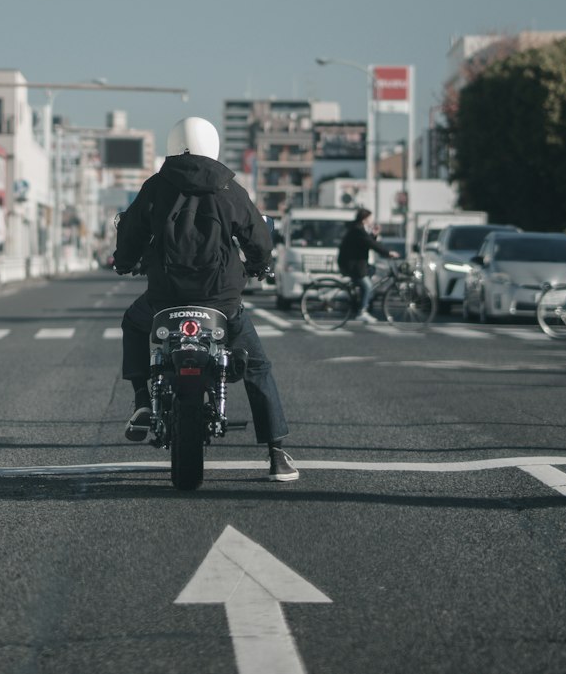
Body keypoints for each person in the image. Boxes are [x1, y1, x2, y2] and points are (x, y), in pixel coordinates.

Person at [111, 117, 298, 483]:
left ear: (173, 143)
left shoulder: (155, 186)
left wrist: (125, 262)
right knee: (257, 366)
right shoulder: (229, 187)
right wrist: (260, 265)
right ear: (211, 145)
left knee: (133, 323)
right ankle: (277, 454)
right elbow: (257, 235)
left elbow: (130, 232)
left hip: (166, 298)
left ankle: (142, 400)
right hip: (221, 300)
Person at [338, 208, 395, 322]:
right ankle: (362, 311)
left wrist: (374, 235)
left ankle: (359, 296)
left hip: (356, 263)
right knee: (367, 286)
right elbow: (371, 244)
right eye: (370, 218)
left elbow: (369, 242)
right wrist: (388, 253)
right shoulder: (358, 230)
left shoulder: (358, 229)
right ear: (364, 219)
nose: (371, 220)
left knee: (372, 270)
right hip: (352, 264)